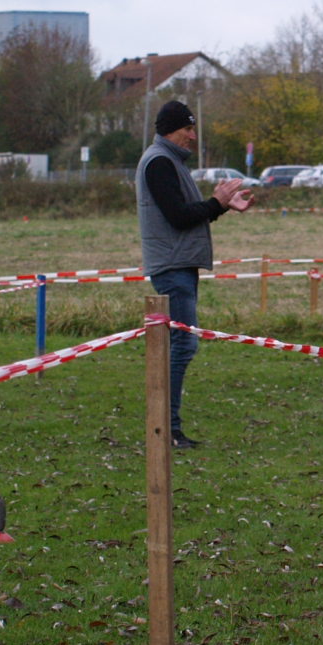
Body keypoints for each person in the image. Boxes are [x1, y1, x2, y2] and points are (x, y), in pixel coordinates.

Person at [135, 99, 253, 449]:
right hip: (172, 268)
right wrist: (216, 203)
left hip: (179, 265)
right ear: (171, 130)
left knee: (180, 344)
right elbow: (178, 216)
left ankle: (167, 427)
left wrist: (220, 207)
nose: (193, 135)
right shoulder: (159, 162)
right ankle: (166, 429)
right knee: (183, 344)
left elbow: (187, 214)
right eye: (188, 128)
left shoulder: (169, 161)